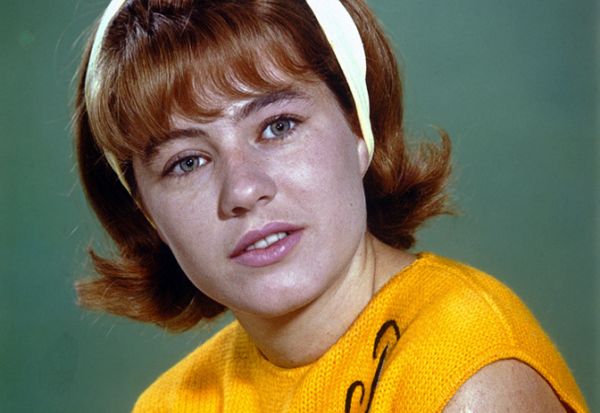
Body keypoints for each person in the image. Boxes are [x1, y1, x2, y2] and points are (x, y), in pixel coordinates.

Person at [73, 0, 589, 412]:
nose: (243, 190)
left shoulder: (468, 371)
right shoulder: (172, 403)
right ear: (146, 213)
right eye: (187, 162)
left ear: (360, 129)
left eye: (278, 126)